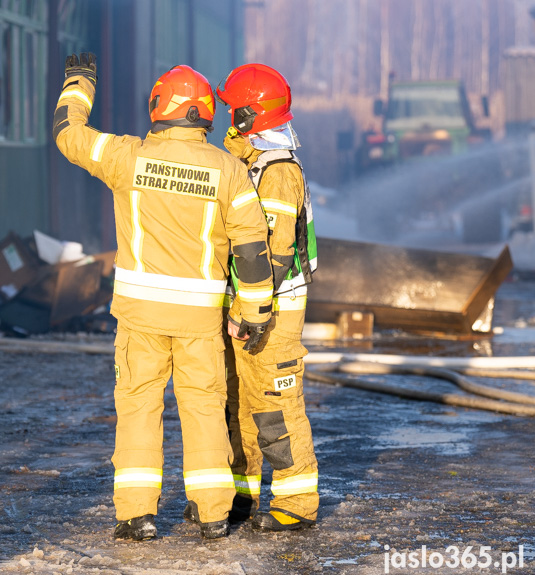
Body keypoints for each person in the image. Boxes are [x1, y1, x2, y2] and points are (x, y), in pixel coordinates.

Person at [53, 53, 275, 541]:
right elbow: (253, 248)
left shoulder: (126, 157)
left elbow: (69, 136)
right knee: (203, 409)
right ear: (204, 115)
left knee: (137, 409)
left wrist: (79, 82)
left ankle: (137, 515)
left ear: (159, 107)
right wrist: (256, 313)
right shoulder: (227, 169)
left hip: (139, 318)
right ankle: (214, 514)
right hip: (200, 321)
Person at [215, 63, 320, 531]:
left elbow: (274, 254)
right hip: (254, 305)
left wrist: (250, 312)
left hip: (272, 310)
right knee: (242, 402)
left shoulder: (277, 173)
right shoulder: (257, 162)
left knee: (276, 407)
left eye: (232, 113)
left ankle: (296, 507)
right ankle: (244, 496)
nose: (226, 121)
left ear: (247, 115)